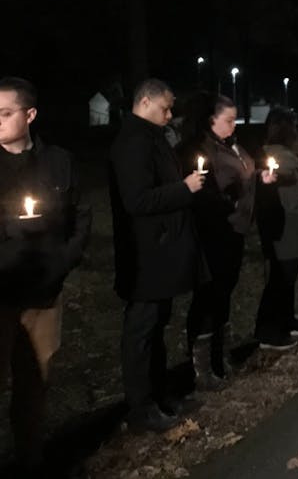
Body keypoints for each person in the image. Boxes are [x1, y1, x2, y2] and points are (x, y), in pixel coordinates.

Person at [0, 77, 91, 471]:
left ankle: (29, 458)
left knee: (34, 382)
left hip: (43, 295)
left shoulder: (58, 162)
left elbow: (81, 215)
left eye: (5, 113)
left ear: (30, 114)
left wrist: (63, 260)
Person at [109, 79, 207, 433]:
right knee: (142, 331)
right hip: (145, 256)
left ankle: (160, 393)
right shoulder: (135, 141)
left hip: (158, 253)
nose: (169, 115)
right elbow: (136, 200)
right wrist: (184, 189)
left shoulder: (150, 137)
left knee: (156, 326)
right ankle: (141, 406)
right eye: (165, 108)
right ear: (145, 101)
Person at [176, 94, 275, 389]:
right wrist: (227, 202)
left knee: (224, 295)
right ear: (211, 120)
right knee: (208, 296)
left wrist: (260, 177)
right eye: (229, 120)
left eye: (235, 119)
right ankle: (202, 369)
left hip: (235, 232)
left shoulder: (230, 144)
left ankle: (222, 358)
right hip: (214, 233)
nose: (234, 125)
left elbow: (244, 173)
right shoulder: (201, 150)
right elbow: (203, 193)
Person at [254, 107, 298, 349]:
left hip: (297, 223)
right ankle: (268, 331)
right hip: (287, 227)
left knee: (288, 279)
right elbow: (277, 184)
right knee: (280, 280)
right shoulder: (278, 157)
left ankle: (287, 320)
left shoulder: (291, 154)